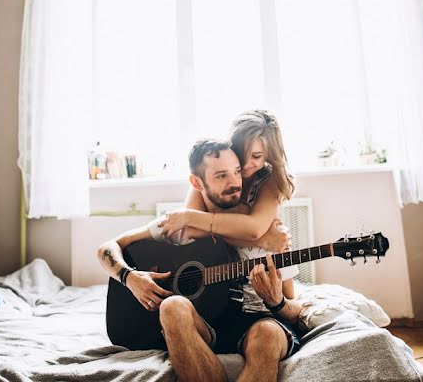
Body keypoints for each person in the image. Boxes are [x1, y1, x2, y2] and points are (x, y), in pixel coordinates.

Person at [97, 139, 303, 382]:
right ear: (197, 182)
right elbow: (107, 248)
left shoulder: (270, 235)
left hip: (256, 322)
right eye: (221, 175)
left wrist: (276, 301)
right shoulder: (179, 227)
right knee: (171, 306)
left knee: (268, 333)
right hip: (204, 322)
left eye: (237, 172)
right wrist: (130, 277)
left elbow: (296, 311)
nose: (235, 182)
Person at [158, 110, 298, 307]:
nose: (247, 164)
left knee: (286, 286)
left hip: (262, 259)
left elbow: (255, 227)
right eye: (241, 153)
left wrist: (190, 216)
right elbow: (192, 230)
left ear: (269, 155)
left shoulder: (270, 181)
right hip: (218, 266)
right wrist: (262, 239)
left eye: (257, 156)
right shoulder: (209, 176)